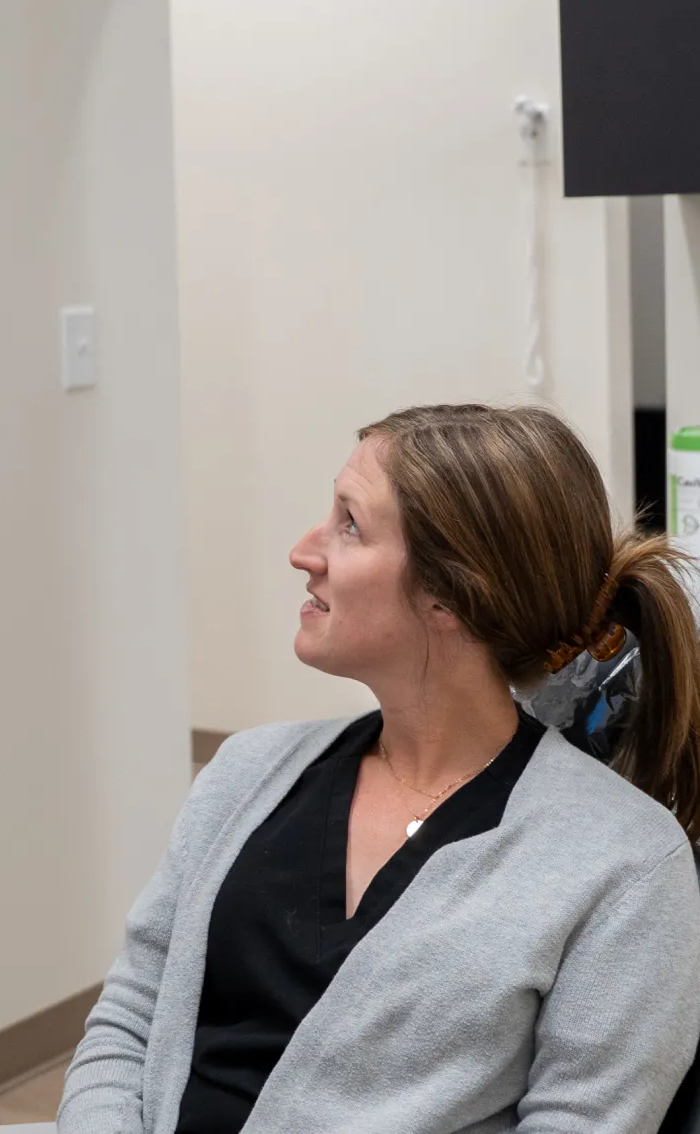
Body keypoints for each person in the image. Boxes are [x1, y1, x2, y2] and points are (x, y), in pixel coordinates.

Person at [60, 404, 700, 1134]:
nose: (305, 550)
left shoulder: (625, 865)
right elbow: (127, 1020)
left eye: (349, 524)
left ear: (454, 595)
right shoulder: (246, 772)